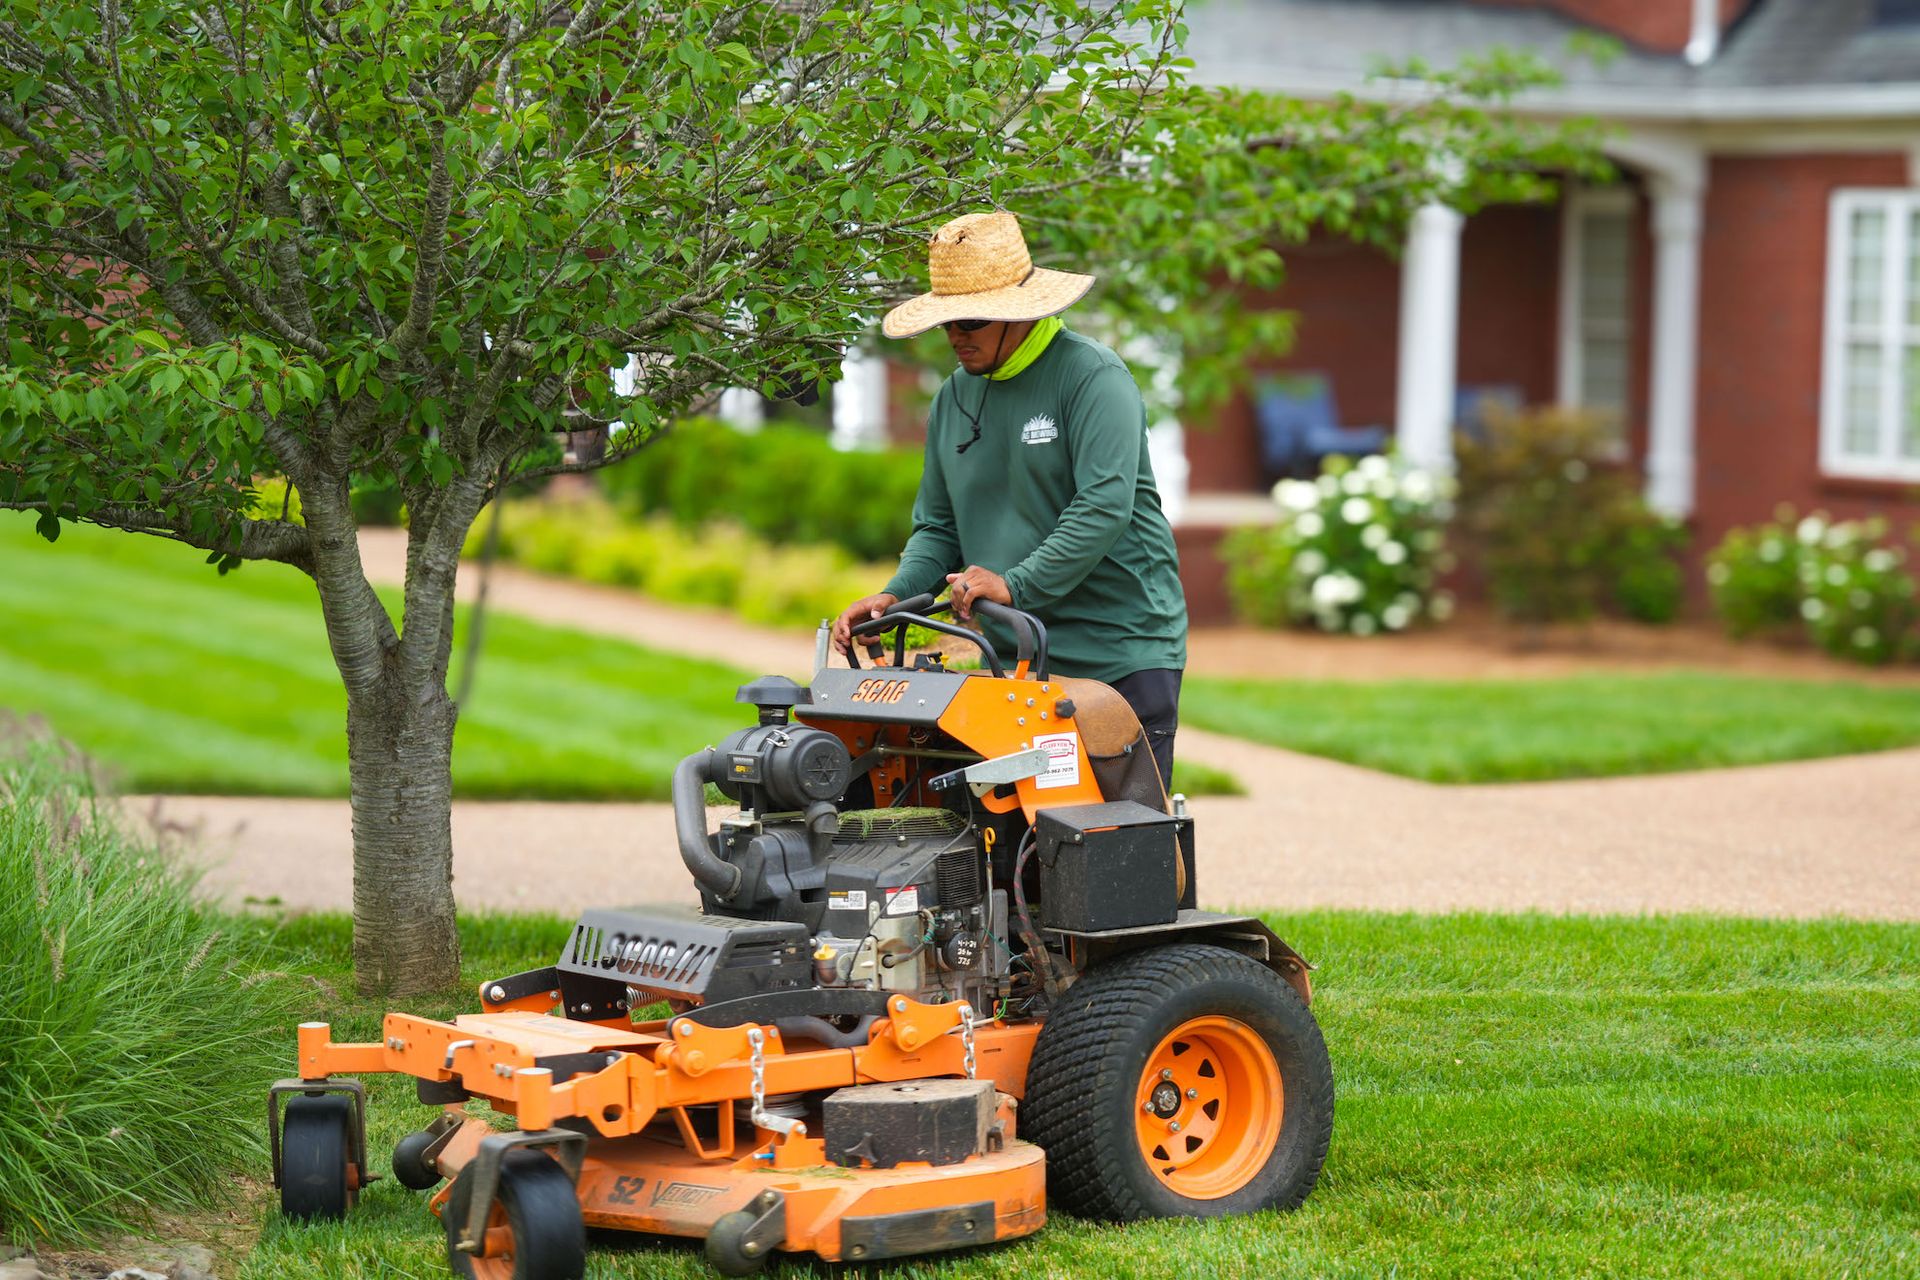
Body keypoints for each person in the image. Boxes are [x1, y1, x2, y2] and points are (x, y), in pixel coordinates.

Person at [832, 211, 1188, 786]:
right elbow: (939, 529)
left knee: (1113, 853)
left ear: (1017, 310)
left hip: (1117, 652)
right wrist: (894, 598)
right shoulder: (953, 397)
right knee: (1006, 852)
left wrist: (1015, 584)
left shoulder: (1092, 377)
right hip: (1015, 658)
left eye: (970, 320)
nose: (955, 336)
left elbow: (1104, 506)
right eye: (947, 321)